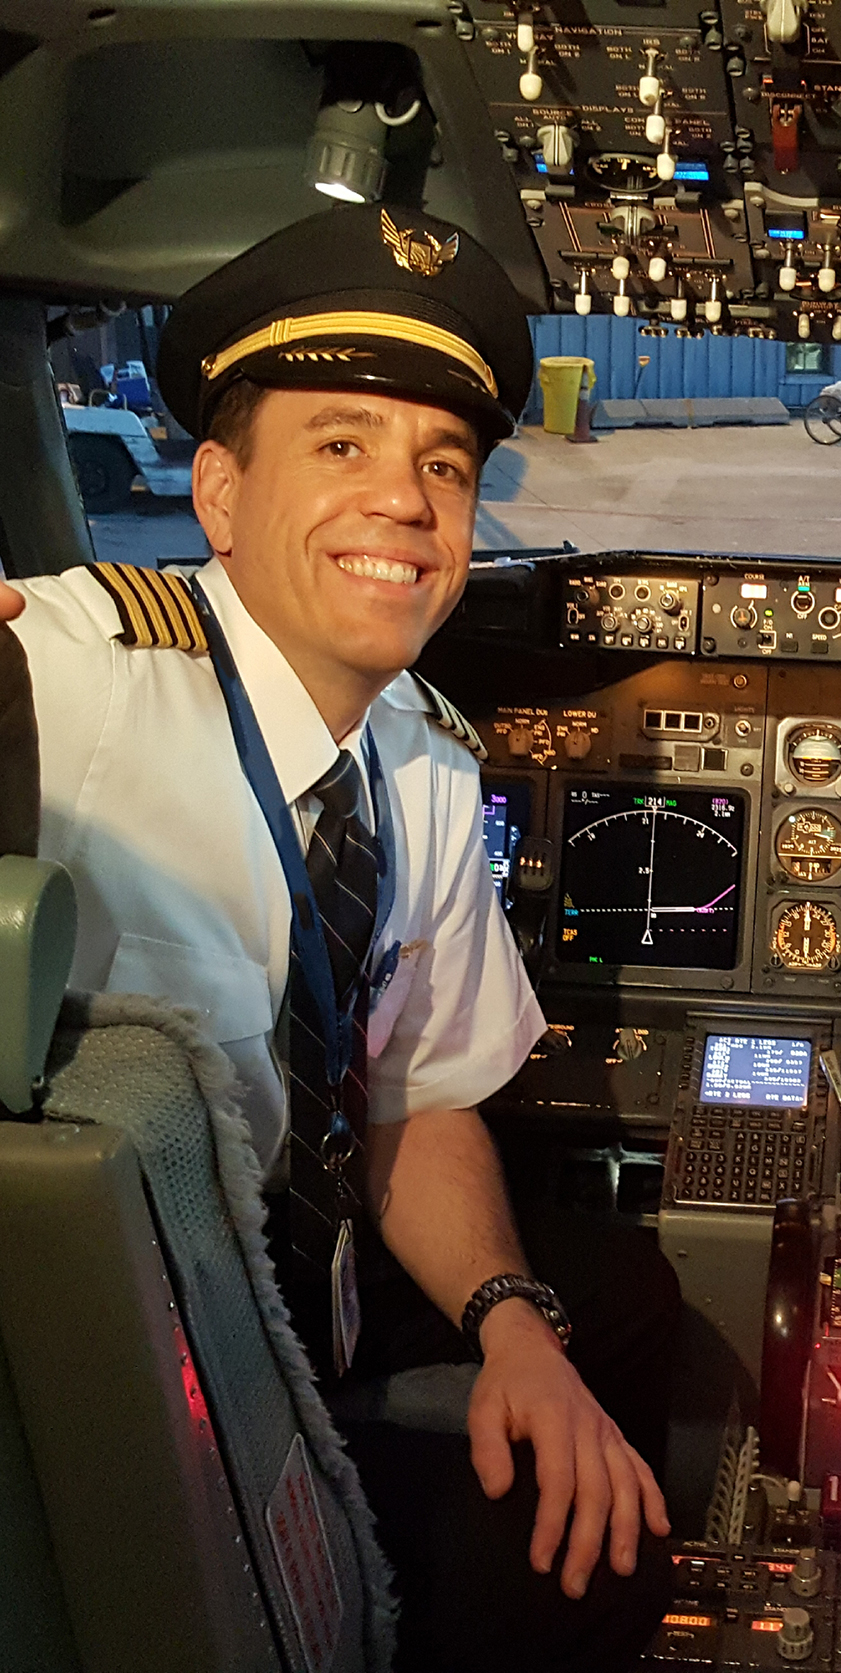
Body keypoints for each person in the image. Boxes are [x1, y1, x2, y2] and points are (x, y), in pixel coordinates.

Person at [4, 203, 679, 1671]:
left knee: (624, 1296)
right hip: (152, 1361)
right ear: (218, 495)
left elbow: (417, 1095)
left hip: (317, 1307)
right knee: (593, 1578)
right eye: (341, 445)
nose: (407, 502)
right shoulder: (74, 683)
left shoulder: (424, 757)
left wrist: (512, 1324)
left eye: (443, 464)